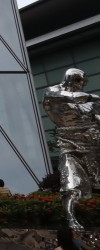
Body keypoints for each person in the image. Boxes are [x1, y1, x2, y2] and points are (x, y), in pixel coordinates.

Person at [43, 68, 100, 228]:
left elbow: (96, 118)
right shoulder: (53, 92)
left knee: (93, 184)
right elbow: (70, 98)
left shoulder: (89, 104)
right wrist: (94, 97)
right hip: (70, 146)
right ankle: (70, 219)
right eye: (80, 81)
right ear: (72, 79)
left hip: (92, 147)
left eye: (83, 82)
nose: (82, 85)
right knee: (72, 184)